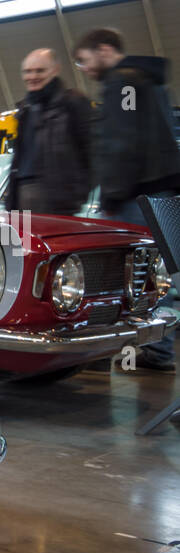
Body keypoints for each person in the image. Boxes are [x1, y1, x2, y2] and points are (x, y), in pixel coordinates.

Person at [75, 28, 180, 371]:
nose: (85, 69)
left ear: (104, 50)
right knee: (157, 274)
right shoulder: (146, 81)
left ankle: (106, 349)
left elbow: (123, 140)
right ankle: (158, 348)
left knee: (129, 276)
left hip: (136, 197)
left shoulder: (125, 84)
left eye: (85, 60)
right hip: (158, 192)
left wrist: (112, 195)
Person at [4, 48, 92, 216]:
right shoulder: (24, 110)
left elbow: (92, 152)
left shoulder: (73, 103)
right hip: (19, 199)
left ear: (55, 70)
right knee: (19, 243)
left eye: (40, 71)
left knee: (53, 243)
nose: (32, 76)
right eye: (28, 71)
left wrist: (75, 195)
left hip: (56, 202)